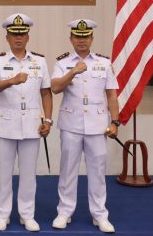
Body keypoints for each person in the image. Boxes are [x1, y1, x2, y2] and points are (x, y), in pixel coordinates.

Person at [50, 19, 121, 233]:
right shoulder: (62, 62)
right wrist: (72, 72)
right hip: (71, 124)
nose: (82, 40)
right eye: (77, 37)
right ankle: (64, 212)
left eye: (85, 37)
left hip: (97, 126)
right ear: (71, 39)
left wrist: (115, 122)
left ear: (91, 38)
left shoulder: (104, 63)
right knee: (68, 170)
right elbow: (55, 88)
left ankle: (99, 215)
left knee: (97, 171)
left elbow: (111, 95)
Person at [0, 13, 53, 232]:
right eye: (14, 34)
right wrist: (12, 80)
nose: (18, 38)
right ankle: (2, 215)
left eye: (22, 34)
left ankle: (27, 215)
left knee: (28, 174)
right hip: (5, 125)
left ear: (28, 37)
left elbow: (46, 93)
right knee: (3, 174)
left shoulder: (39, 61)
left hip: (32, 125)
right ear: (7, 37)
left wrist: (48, 120)